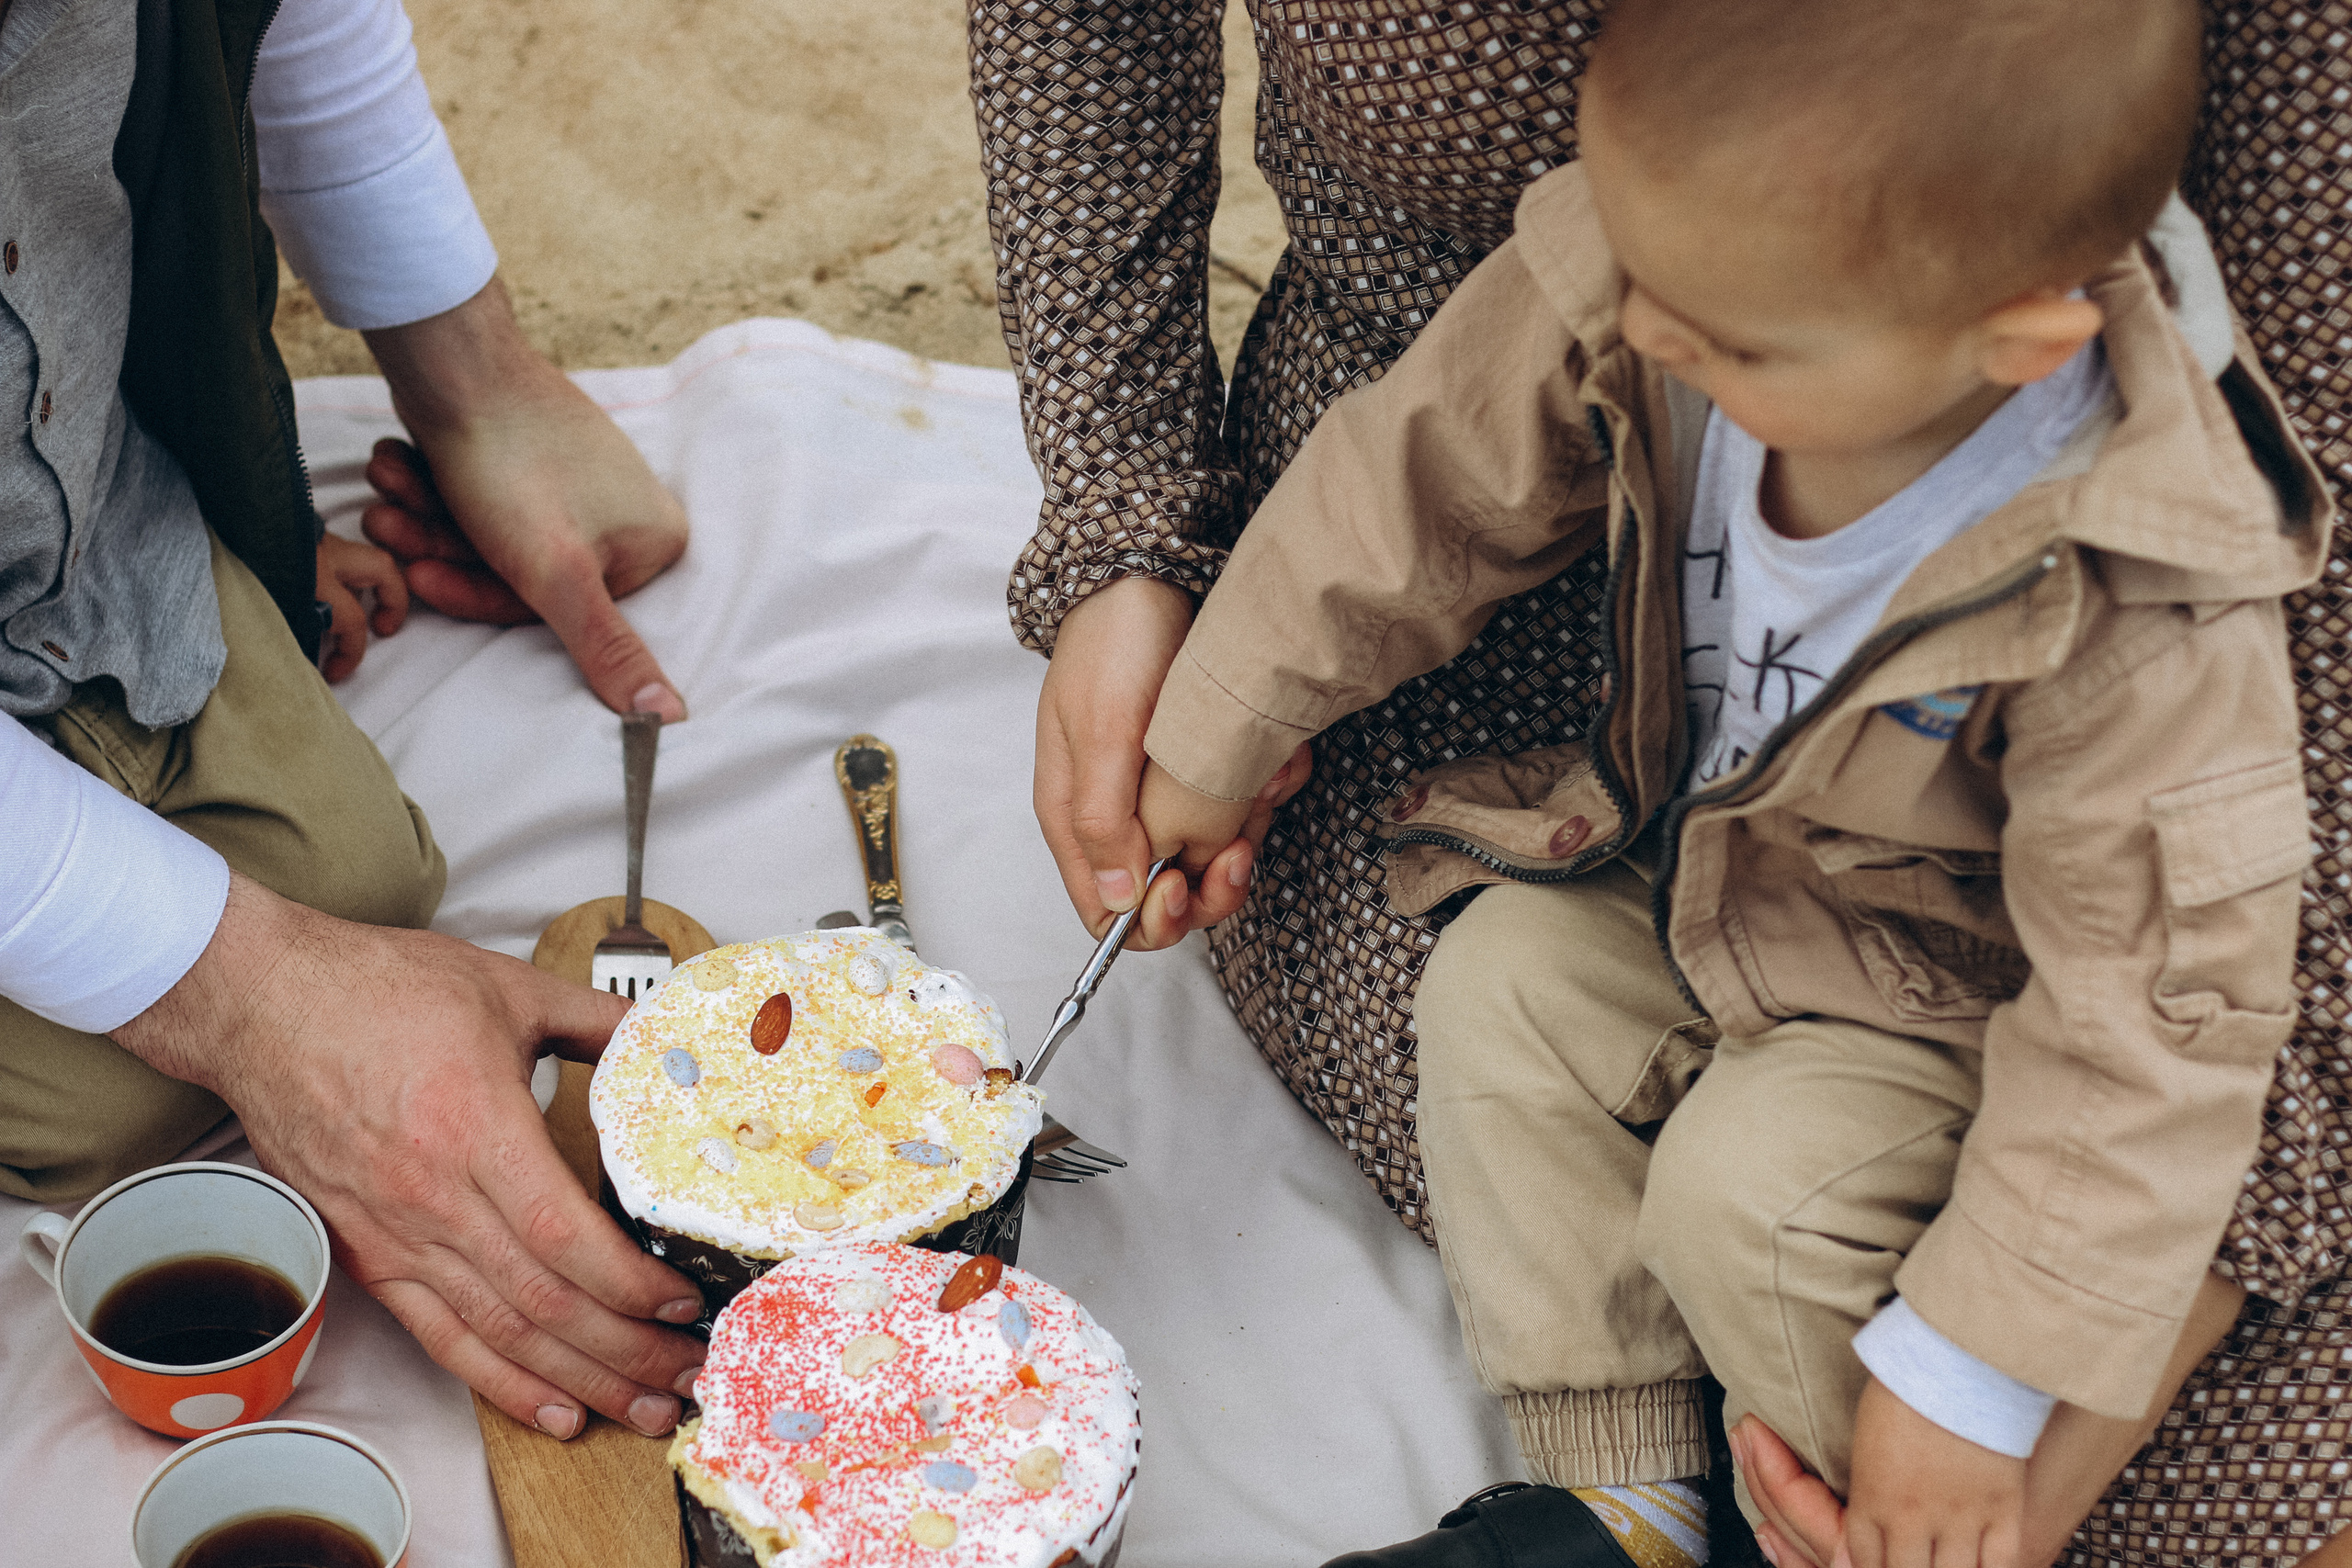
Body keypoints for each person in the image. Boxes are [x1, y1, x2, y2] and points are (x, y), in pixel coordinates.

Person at [981, 0, 2352, 1562]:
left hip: (1965, 1008)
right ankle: (1625, 1502)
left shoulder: (2141, 608)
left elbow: (2153, 1021)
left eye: (1729, 343)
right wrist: (1223, 712)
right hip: (1710, 874)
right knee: (1499, 990)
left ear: (2023, 340)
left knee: (1750, 1198)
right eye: (1638, 283)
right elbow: (1422, 472)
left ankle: (1847, 1523)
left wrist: (1973, 1374)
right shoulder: (1695, 261)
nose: (1649, 339)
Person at [0, 0, 706, 1444]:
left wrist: (477, 386)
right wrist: (261, 1003)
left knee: (356, 883)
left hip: (89, 534)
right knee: (113, 1104)